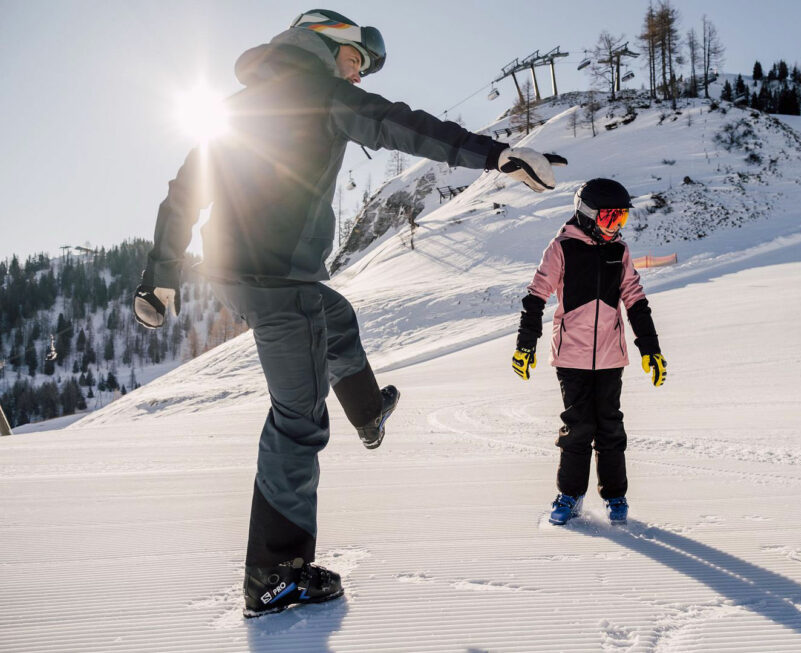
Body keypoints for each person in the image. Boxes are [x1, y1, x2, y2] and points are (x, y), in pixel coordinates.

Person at [132, 9, 566, 618]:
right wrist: (496, 156)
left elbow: (185, 192)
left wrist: (160, 278)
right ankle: (274, 576)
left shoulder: (240, 103)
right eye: (357, 61)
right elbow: (405, 127)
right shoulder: (322, 95)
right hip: (282, 283)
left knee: (335, 315)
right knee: (298, 422)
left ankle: (367, 412)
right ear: (326, 45)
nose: (358, 77)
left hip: (239, 279)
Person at [511, 179, 666, 526]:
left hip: (611, 356)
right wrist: (525, 344)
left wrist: (650, 349)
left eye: (621, 220)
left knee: (610, 426)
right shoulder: (562, 248)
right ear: (587, 214)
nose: (616, 228)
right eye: (611, 218)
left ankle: (615, 496)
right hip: (571, 357)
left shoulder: (619, 252)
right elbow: (535, 296)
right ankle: (570, 494)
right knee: (578, 427)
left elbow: (636, 301)